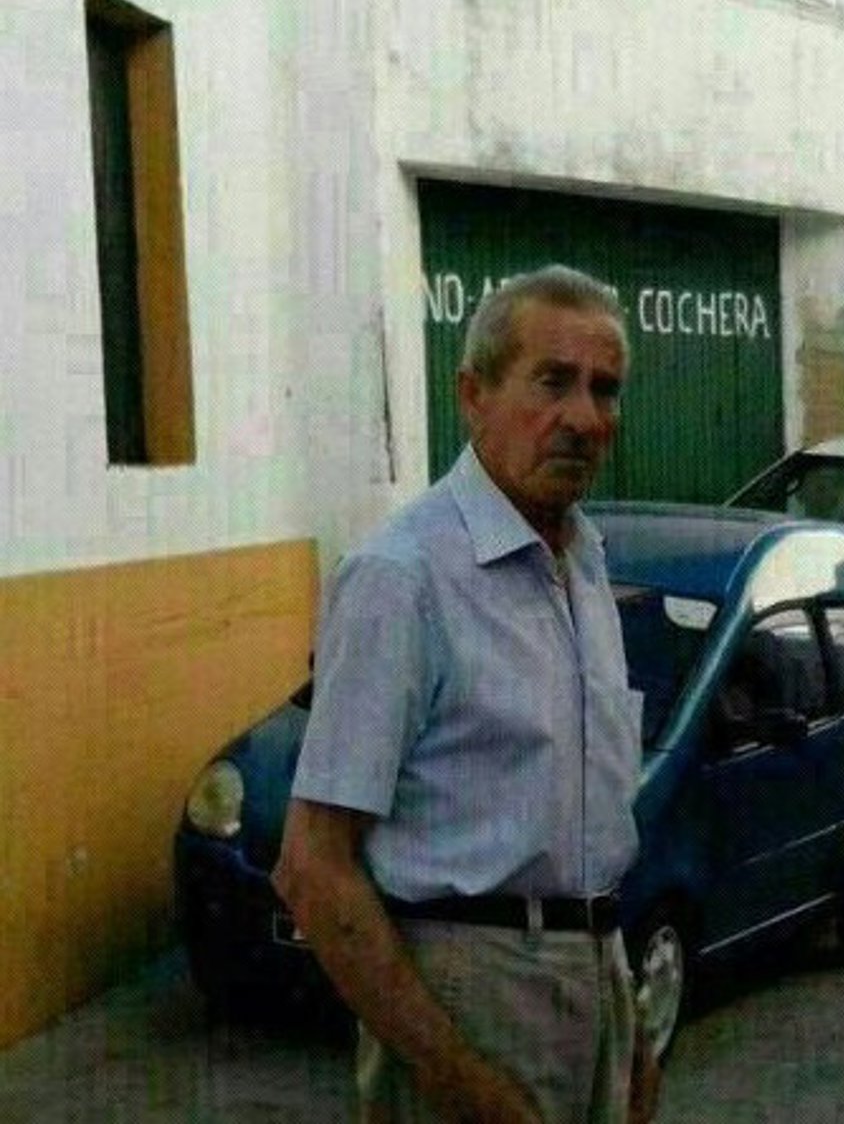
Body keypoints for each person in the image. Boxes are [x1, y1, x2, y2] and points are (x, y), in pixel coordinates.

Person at [272, 264, 658, 1123]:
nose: (583, 417)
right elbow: (313, 867)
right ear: (473, 395)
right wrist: (455, 1078)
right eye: (552, 381)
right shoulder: (402, 577)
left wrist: (627, 1027)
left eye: (604, 389)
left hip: (596, 974)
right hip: (467, 991)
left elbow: (583, 828)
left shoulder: (584, 561)